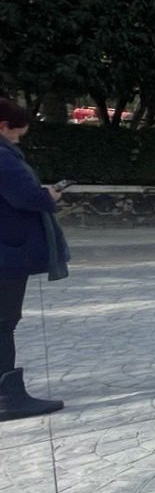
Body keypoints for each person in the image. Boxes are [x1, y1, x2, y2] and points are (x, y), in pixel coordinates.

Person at [0, 98, 67, 420]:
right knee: (3, 323)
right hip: (7, 253)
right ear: (4, 126)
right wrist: (48, 196)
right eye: (17, 134)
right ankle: (7, 396)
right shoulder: (2, 156)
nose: (18, 139)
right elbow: (24, 196)